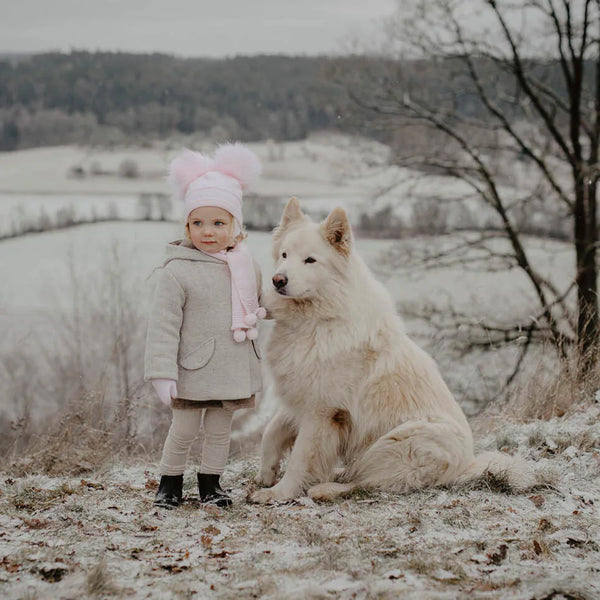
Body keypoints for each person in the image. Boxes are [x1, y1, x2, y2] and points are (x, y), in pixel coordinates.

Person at [144, 143, 265, 508]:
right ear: (187, 225)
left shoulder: (246, 265)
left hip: (231, 366)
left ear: (235, 226)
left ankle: (211, 485)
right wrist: (162, 374)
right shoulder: (177, 270)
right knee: (182, 431)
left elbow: (261, 304)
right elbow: (163, 327)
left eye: (218, 223)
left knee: (218, 432)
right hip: (192, 369)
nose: (207, 231)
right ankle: (169, 484)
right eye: (198, 223)